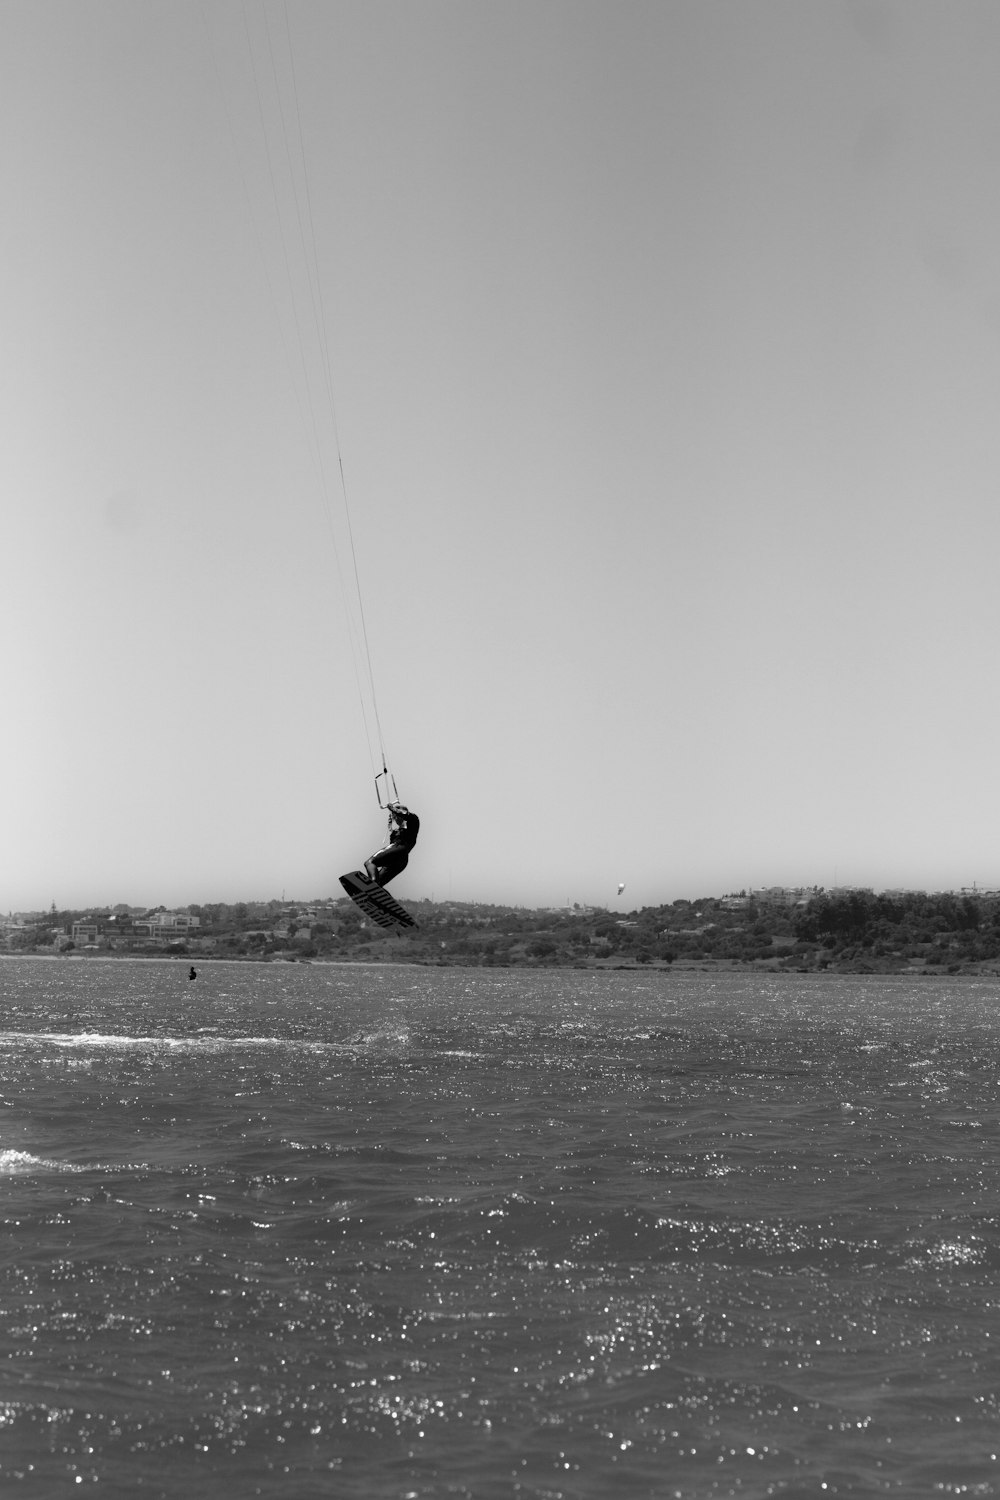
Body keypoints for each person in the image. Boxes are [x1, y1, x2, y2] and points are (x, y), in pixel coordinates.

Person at [365, 802, 420, 887]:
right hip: (401, 860)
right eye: (394, 817)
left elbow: (404, 814)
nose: (395, 818)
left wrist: (392, 808)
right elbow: (390, 850)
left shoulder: (413, 820)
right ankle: (375, 891)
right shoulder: (397, 832)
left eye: (396, 816)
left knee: (370, 863)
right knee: (379, 881)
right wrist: (391, 828)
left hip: (400, 850)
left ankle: (373, 888)